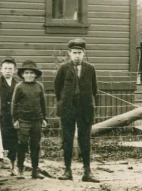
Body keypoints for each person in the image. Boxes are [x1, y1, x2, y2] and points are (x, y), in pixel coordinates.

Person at [54, 38, 99, 183]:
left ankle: (87, 172)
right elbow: (57, 88)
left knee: (84, 141)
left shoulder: (90, 69)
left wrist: (88, 104)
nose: (77, 55)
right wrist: (64, 102)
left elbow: (94, 89)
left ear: (84, 53)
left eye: (79, 52)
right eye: (74, 53)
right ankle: (67, 171)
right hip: (68, 109)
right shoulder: (63, 68)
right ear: (69, 53)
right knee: (67, 140)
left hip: (85, 109)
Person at [11, 60, 47, 180]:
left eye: (32, 73)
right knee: (22, 144)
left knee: (35, 145)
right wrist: (15, 119)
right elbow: (14, 104)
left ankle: (35, 170)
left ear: (36, 74)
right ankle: (20, 170)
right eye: (26, 73)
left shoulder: (39, 86)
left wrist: (44, 118)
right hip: (23, 121)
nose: (29, 75)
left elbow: (43, 103)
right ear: (22, 74)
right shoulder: (19, 86)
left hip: (37, 120)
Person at [0, 57, 22, 176]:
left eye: (10, 68)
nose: (7, 71)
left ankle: (12, 167)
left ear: (14, 70)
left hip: (13, 117)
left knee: (14, 142)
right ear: (1, 70)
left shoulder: (18, 84)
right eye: (5, 68)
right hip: (0, 117)